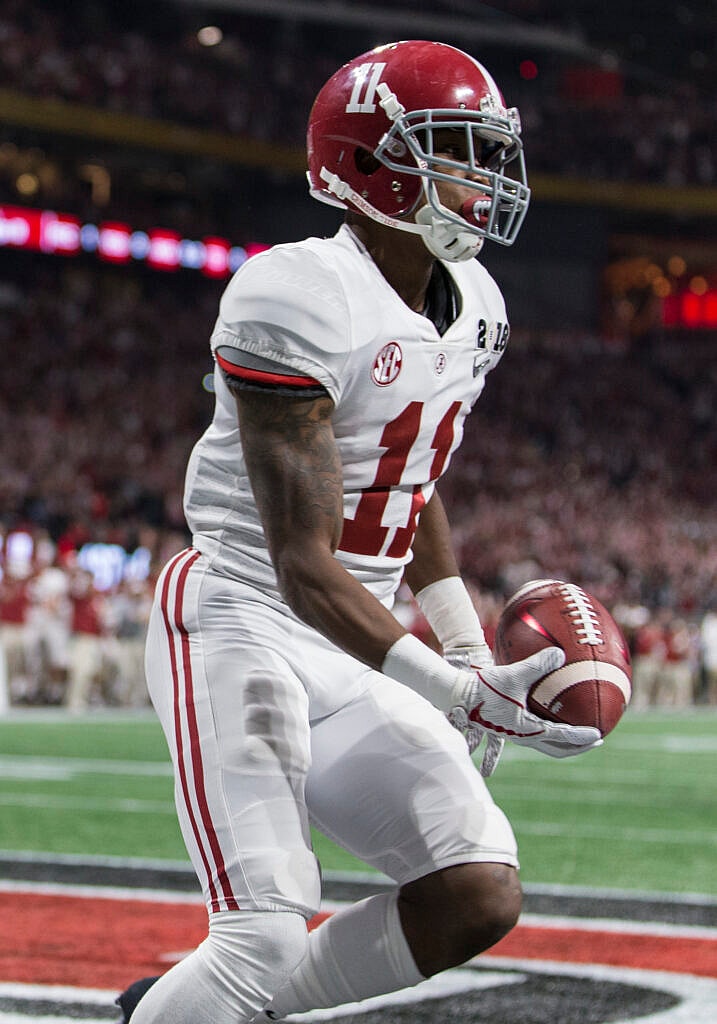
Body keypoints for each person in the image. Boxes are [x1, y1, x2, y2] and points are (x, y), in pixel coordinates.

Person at [117, 39, 601, 1024]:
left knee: (475, 889)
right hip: (241, 614)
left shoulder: (476, 306)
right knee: (257, 936)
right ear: (374, 161)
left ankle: (176, 1013)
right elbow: (302, 562)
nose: (482, 175)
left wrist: (464, 640)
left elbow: (410, 477)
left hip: (350, 635)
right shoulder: (295, 293)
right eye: (454, 149)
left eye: (485, 149)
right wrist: (455, 687)